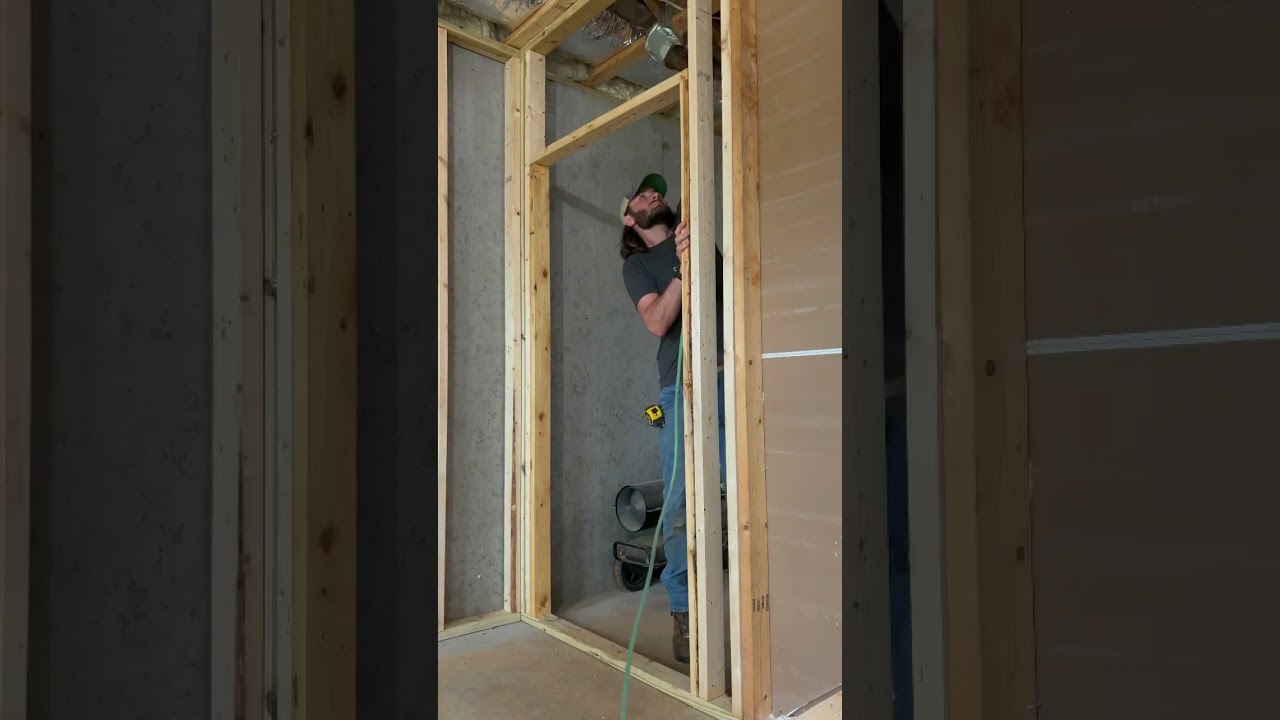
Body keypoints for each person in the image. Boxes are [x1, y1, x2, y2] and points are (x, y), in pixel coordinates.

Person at [617, 172, 727, 665]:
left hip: (730, 375)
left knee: (748, 489)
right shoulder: (638, 266)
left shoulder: (701, 240)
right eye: (642, 194)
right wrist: (683, 266)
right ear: (630, 219)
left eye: (655, 190)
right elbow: (659, 321)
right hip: (679, 389)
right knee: (680, 503)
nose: (653, 194)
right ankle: (684, 613)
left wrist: (696, 249)